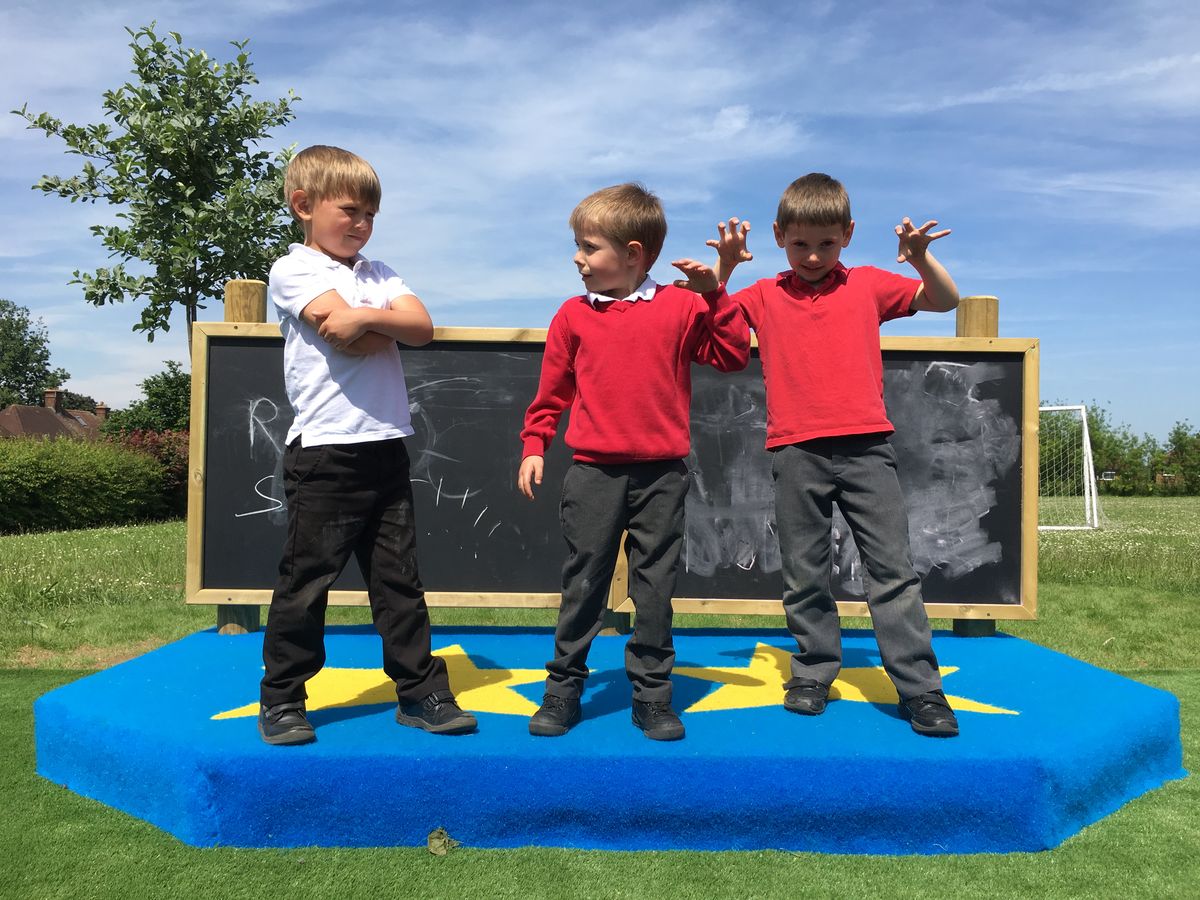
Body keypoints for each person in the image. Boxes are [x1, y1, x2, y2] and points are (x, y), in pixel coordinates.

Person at [713, 173, 961, 737]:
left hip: (867, 448)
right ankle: (811, 673)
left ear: (847, 235)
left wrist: (920, 260)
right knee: (804, 572)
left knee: (892, 570)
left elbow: (945, 301)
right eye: (800, 243)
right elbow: (702, 321)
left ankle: (921, 689)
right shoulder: (762, 295)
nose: (813, 255)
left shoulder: (870, 285)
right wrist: (725, 270)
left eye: (827, 243)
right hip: (795, 449)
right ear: (778, 237)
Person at [257, 145, 475, 745]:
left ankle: (421, 691)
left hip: (386, 451)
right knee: (307, 583)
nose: (361, 225)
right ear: (303, 205)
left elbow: (422, 328)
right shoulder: (294, 268)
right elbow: (343, 336)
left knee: (399, 581)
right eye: (349, 210)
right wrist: (378, 323)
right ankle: (283, 700)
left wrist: (367, 317)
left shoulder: (379, 274)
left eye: (371, 215)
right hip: (325, 453)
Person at [518, 183, 749, 741]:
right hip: (593, 473)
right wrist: (534, 445)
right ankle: (563, 690)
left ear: (634, 252)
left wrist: (715, 293)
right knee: (584, 583)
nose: (578, 258)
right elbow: (552, 392)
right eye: (578, 245)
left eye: (590, 247)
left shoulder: (681, 304)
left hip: (662, 476)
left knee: (655, 588)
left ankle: (652, 697)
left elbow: (732, 354)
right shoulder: (572, 316)